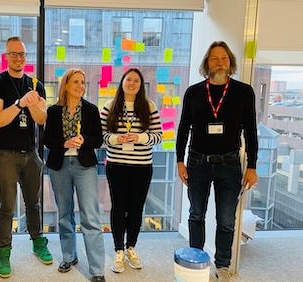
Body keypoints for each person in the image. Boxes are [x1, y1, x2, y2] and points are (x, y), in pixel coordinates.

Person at [176, 41, 258, 282]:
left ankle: (223, 265)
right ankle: (196, 259)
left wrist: (252, 166)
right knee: (196, 214)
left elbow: (251, 131)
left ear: (230, 62)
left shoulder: (244, 92)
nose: (219, 62)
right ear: (207, 63)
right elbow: (183, 129)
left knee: (225, 219)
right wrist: (179, 161)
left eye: (223, 58)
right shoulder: (194, 92)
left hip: (230, 164)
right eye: (214, 58)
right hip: (197, 162)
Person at [0, 36, 52, 278]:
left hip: (31, 153)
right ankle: (4, 252)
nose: (18, 58)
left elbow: (42, 119)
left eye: (22, 54)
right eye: (13, 54)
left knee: (34, 203)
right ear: (6, 56)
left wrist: (32, 102)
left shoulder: (35, 84)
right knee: (8, 206)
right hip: (5, 154)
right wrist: (20, 102)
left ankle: (38, 242)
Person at [44, 68, 106, 282]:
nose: (81, 85)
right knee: (64, 213)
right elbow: (46, 140)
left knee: (90, 216)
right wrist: (63, 143)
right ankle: (69, 256)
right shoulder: (53, 111)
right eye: (76, 82)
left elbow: (98, 139)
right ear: (66, 85)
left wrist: (83, 141)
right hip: (59, 165)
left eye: (83, 82)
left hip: (84, 165)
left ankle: (97, 269)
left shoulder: (91, 109)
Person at [100, 67, 162, 273]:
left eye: (136, 80)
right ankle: (118, 250)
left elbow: (158, 136)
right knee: (118, 207)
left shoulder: (149, 106)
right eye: (129, 79)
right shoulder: (110, 106)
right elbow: (101, 137)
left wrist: (141, 137)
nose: (132, 83)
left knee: (136, 208)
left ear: (140, 85)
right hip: (117, 165)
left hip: (142, 167)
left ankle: (131, 248)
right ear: (122, 82)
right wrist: (117, 139)